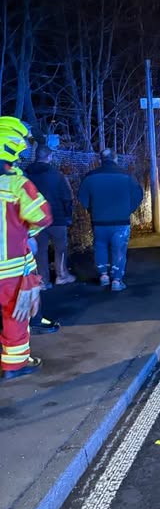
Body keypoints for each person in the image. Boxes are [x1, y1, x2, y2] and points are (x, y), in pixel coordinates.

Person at [0, 117, 52, 379]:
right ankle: (14, 365)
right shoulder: (17, 185)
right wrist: (26, 232)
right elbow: (42, 216)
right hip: (10, 270)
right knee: (15, 314)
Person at [78, 149, 143, 291]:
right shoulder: (127, 176)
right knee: (119, 249)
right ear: (116, 159)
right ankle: (117, 280)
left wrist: (92, 209)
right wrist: (127, 210)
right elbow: (138, 195)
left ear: (100, 160)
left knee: (100, 246)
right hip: (121, 222)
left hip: (99, 222)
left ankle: (103, 276)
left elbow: (82, 197)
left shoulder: (90, 177)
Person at [26, 145, 75, 287]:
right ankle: (61, 275)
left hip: (36, 220)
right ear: (49, 157)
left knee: (40, 251)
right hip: (57, 217)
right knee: (61, 248)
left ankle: (43, 281)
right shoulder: (56, 175)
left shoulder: (26, 175)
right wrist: (68, 215)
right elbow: (67, 197)